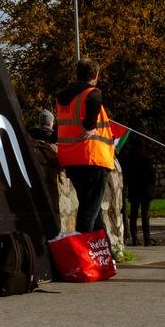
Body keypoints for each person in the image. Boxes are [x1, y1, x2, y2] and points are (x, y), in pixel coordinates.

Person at [56, 58, 115, 237]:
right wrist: (90, 126)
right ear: (95, 75)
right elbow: (95, 98)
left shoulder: (63, 96)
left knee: (93, 212)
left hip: (71, 158)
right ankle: (84, 254)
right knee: (89, 213)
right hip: (93, 157)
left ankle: (106, 255)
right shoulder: (91, 93)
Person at [121, 137, 158, 246]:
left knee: (133, 215)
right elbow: (152, 176)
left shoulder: (128, 159)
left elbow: (126, 175)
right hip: (146, 189)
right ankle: (147, 238)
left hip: (134, 189)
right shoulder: (146, 158)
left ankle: (134, 238)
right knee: (145, 214)